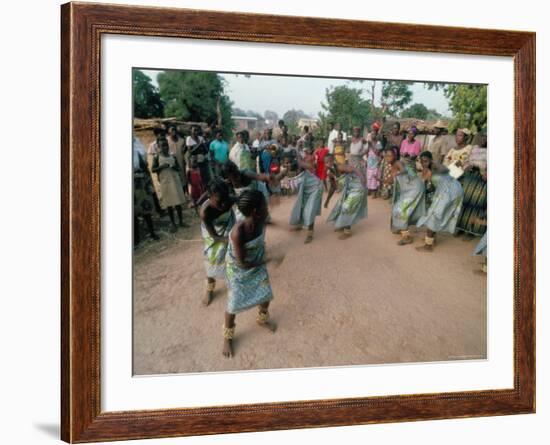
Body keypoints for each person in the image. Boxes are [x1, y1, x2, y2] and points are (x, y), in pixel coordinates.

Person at [223, 189, 276, 358]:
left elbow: (270, 223)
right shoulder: (238, 232)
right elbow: (242, 263)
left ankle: (262, 319)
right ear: (255, 211)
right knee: (234, 303)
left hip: (256, 261)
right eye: (264, 205)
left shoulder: (261, 220)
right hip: (239, 270)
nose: (267, 207)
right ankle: (227, 337)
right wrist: (267, 261)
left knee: (265, 295)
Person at [415, 151, 464, 252]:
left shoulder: (435, 165)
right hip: (444, 191)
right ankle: (432, 238)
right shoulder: (425, 170)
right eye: (422, 161)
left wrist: (434, 165)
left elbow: (446, 170)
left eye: (426, 161)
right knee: (436, 213)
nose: (424, 163)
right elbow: (431, 187)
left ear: (430, 160)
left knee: (433, 214)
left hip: (451, 190)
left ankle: (428, 246)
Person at [200, 178, 236, 306]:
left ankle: (234, 281)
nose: (223, 205)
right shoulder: (206, 213)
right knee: (213, 258)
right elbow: (215, 237)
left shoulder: (229, 199)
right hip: (213, 233)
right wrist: (231, 240)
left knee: (233, 255)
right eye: (219, 202)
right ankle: (210, 289)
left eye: (225, 200)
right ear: (210, 197)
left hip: (228, 223)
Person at [390, 148, 426, 245]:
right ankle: (402, 228)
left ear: (395, 155)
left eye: (389, 155)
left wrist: (397, 173)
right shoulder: (393, 165)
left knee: (400, 209)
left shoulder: (398, 163)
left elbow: (403, 170)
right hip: (409, 189)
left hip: (414, 188)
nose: (387, 157)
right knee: (400, 208)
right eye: (385, 155)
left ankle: (407, 236)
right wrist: (379, 180)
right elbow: (391, 180)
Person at [152, 137, 187, 232]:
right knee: (169, 204)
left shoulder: (173, 156)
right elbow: (153, 169)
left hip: (175, 181)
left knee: (178, 202)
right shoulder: (157, 157)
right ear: (158, 147)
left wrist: (174, 167)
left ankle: (180, 221)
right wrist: (161, 167)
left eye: (166, 145)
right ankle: (173, 224)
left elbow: (178, 168)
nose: (165, 147)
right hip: (165, 182)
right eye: (162, 146)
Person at [457, 130, 487, 238]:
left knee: (477, 204)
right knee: (465, 201)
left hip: (481, 180)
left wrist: (485, 172)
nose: (484, 139)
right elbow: (466, 161)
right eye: (482, 137)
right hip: (470, 177)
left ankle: (471, 231)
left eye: (486, 137)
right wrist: (467, 166)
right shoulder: (474, 149)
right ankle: (461, 227)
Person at [326, 162, 368, 239]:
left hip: (358, 188)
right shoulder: (330, 173)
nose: (327, 164)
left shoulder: (339, 167)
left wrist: (362, 177)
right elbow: (333, 188)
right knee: (340, 206)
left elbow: (353, 169)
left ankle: (347, 232)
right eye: (324, 162)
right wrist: (327, 201)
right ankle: (343, 224)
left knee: (347, 208)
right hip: (349, 190)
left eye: (328, 161)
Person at [288, 157, 324, 243]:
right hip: (307, 190)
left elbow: (311, 167)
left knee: (309, 210)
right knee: (302, 207)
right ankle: (300, 224)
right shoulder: (292, 171)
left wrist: (300, 162)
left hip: (316, 189)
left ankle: (310, 234)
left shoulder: (302, 168)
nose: (287, 165)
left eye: (288, 163)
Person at [133, 137, 159, 245]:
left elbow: (145, 164)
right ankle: (136, 239)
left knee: (146, 207)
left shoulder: (137, 143)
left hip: (140, 180)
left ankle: (152, 233)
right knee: (133, 211)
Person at [166, 125, 188, 193]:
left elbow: (185, 151)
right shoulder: (166, 140)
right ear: (168, 131)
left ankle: (185, 194)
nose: (173, 131)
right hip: (172, 163)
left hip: (181, 162)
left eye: (174, 129)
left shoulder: (182, 140)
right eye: (171, 130)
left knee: (184, 178)